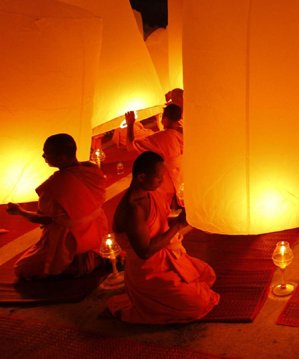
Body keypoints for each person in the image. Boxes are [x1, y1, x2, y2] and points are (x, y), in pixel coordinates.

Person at [107, 152, 219, 324]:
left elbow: (159, 223)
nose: (162, 181)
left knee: (207, 274)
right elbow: (145, 252)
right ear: (142, 177)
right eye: (159, 178)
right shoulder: (133, 209)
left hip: (168, 258)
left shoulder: (151, 193)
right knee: (198, 303)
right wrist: (178, 226)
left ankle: (177, 290)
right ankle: (147, 300)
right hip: (149, 271)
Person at [6, 134, 109, 279]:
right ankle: (89, 257)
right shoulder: (92, 170)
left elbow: (43, 219)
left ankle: (74, 264)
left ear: (61, 158)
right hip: (96, 229)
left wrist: (20, 211)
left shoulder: (53, 187)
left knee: (22, 268)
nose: (43, 156)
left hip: (68, 238)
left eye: (46, 154)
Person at [125, 105, 183, 211]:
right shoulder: (182, 134)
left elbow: (130, 147)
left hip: (164, 182)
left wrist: (130, 124)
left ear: (164, 118)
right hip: (182, 178)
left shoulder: (155, 138)